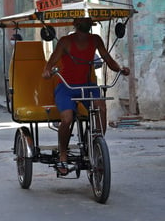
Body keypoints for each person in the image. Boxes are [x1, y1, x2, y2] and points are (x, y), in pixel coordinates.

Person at [42, 17, 130, 175]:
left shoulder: (95, 40)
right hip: (66, 86)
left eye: (88, 23)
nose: (86, 26)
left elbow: (108, 59)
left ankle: (97, 143)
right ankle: (63, 153)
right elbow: (51, 61)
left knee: (101, 107)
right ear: (76, 26)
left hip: (87, 85)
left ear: (90, 26)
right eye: (83, 23)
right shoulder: (65, 41)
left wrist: (120, 69)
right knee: (67, 119)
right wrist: (47, 71)